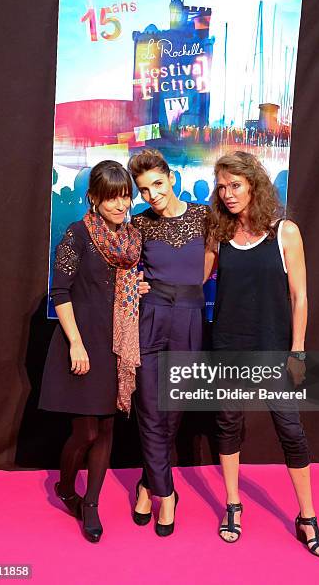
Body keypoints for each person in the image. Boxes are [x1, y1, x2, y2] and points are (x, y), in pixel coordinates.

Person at [206, 151, 319, 557]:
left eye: (235, 185)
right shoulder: (218, 234)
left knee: (291, 431)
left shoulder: (284, 232)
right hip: (227, 347)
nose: (227, 194)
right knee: (228, 425)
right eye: (221, 187)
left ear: (254, 185)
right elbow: (193, 280)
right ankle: (233, 504)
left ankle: (307, 515)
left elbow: (300, 297)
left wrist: (298, 351)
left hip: (277, 350)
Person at [39, 160, 141, 543]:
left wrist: (138, 289)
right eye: (112, 196)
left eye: (126, 195)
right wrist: (76, 343)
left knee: (108, 429)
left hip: (116, 345)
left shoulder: (132, 239)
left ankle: (92, 504)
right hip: (82, 343)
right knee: (85, 431)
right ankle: (67, 489)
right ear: (94, 198)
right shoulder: (77, 233)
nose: (121, 204)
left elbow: (125, 286)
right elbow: (60, 292)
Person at [128, 148, 209, 537]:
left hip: (190, 316)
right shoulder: (139, 224)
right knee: (148, 405)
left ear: (171, 178)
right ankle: (167, 493)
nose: (152, 195)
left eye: (157, 184)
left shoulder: (203, 217)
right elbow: (121, 271)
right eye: (144, 190)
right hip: (152, 314)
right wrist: (137, 285)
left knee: (173, 410)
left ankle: (147, 484)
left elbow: (214, 264)